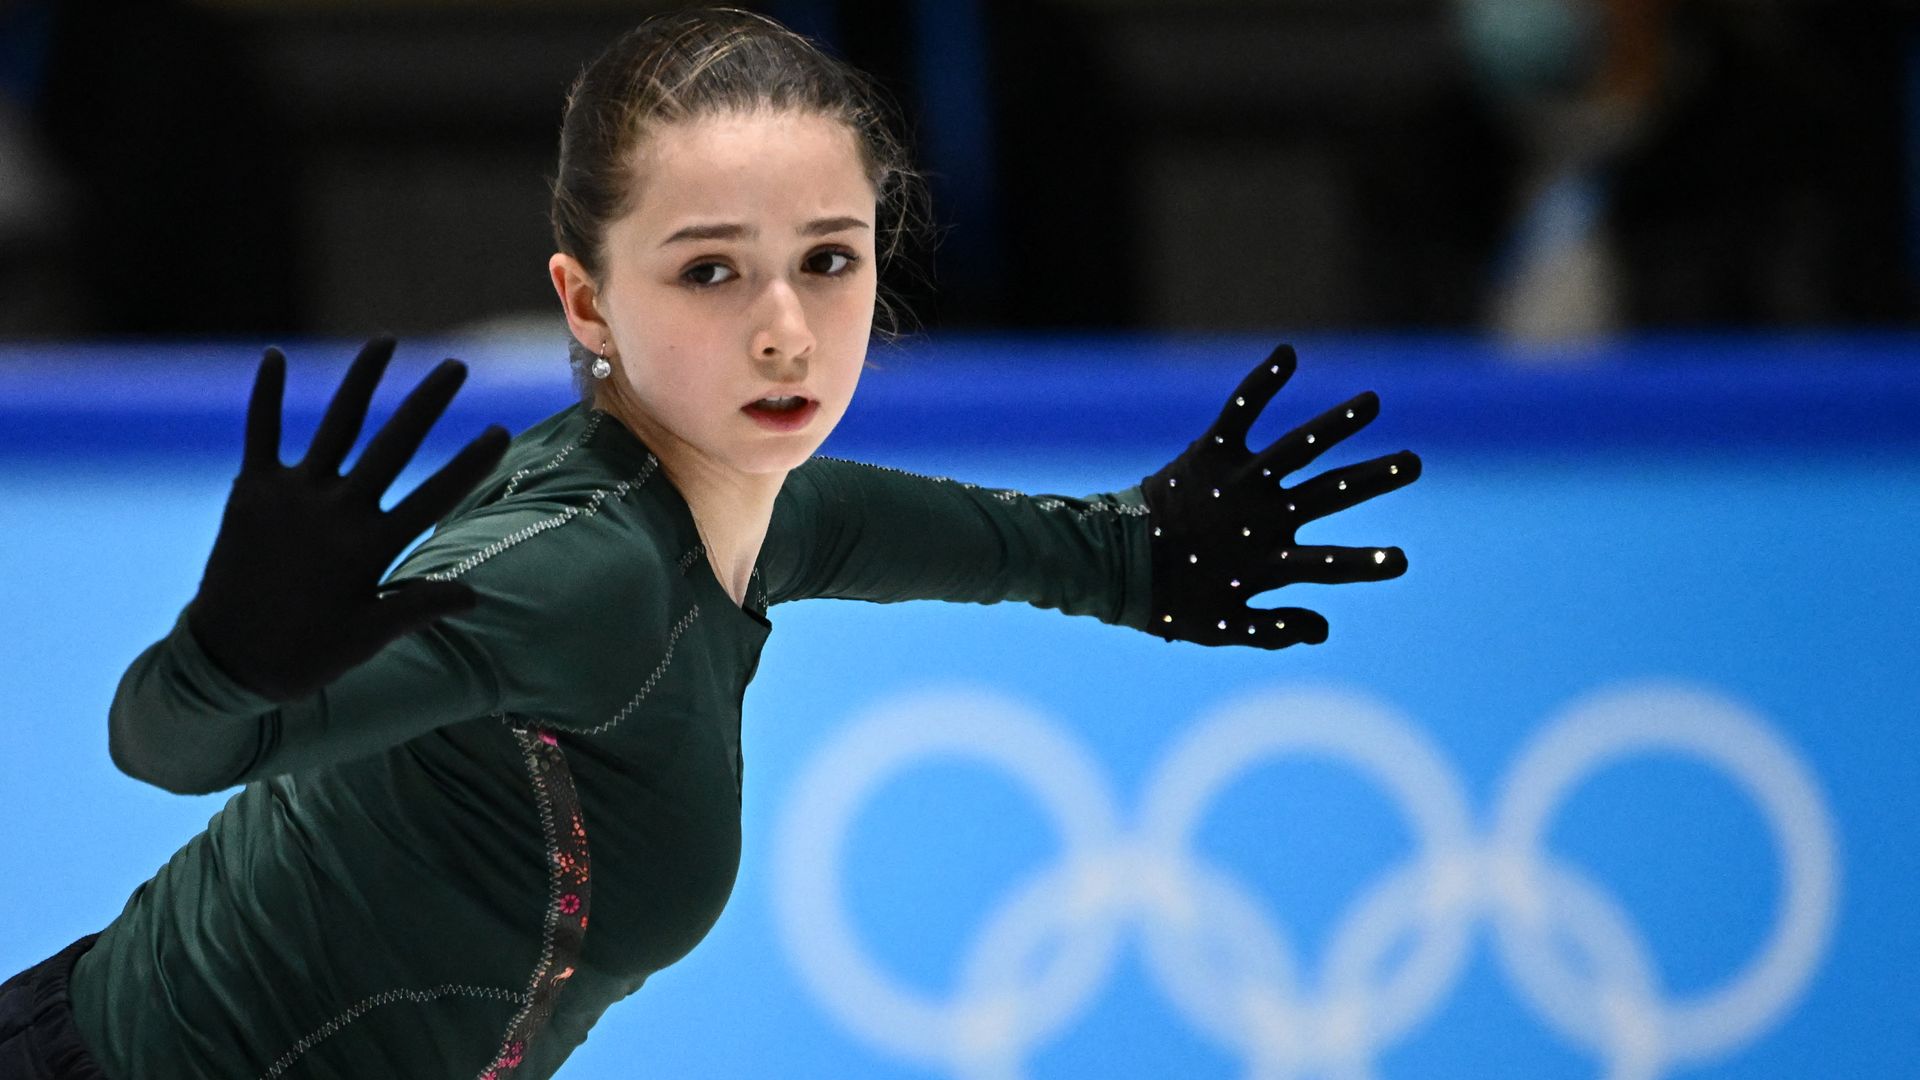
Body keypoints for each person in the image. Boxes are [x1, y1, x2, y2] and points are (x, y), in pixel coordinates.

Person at [0, 8, 1422, 1079]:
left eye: (830, 258)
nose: (785, 327)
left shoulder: (755, 509)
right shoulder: (581, 572)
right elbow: (170, 748)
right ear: (587, 301)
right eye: (708, 270)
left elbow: (1006, 546)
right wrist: (223, 664)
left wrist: (1142, 557)